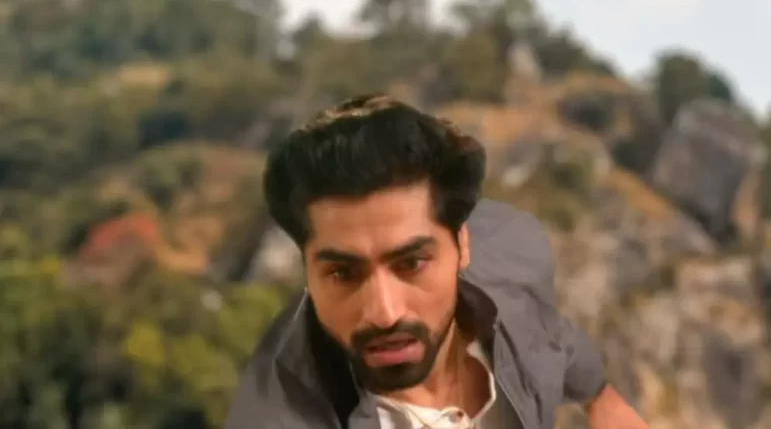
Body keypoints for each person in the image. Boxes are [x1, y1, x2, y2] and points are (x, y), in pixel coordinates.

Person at [224, 94, 647, 429]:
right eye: (343, 273)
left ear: (462, 245)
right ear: (307, 272)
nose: (385, 313)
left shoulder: (510, 274)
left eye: (411, 263)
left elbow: (559, 342)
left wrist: (603, 401)